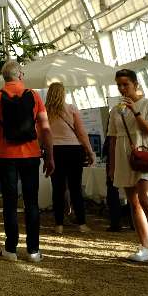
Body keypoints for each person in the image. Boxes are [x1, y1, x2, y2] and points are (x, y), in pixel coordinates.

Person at [0, 61, 53, 262]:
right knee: (31, 202)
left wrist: (2, 134)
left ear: (4, 77)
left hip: (6, 156)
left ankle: (10, 249)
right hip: (31, 154)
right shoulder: (33, 95)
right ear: (20, 75)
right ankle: (33, 251)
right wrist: (50, 155)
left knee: (10, 202)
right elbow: (46, 128)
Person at [107, 69, 148, 266]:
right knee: (133, 203)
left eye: (125, 84)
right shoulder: (116, 110)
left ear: (135, 84)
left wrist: (135, 110)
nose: (122, 88)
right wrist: (112, 165)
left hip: (144, 154)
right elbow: (113, 138)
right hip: (123, 156)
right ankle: (143, 246)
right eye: (119, 85)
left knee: (146, 199)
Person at [44, 82, 95, 233]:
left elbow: (42, 134)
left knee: (58, 188)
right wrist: (90, 151)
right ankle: (82, 224)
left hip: (55, 151)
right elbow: (81, 132)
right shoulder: (71, 108)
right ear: (63, 93)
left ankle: (58, 224)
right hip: (74, 150)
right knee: (75, 188)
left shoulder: (45, 111)